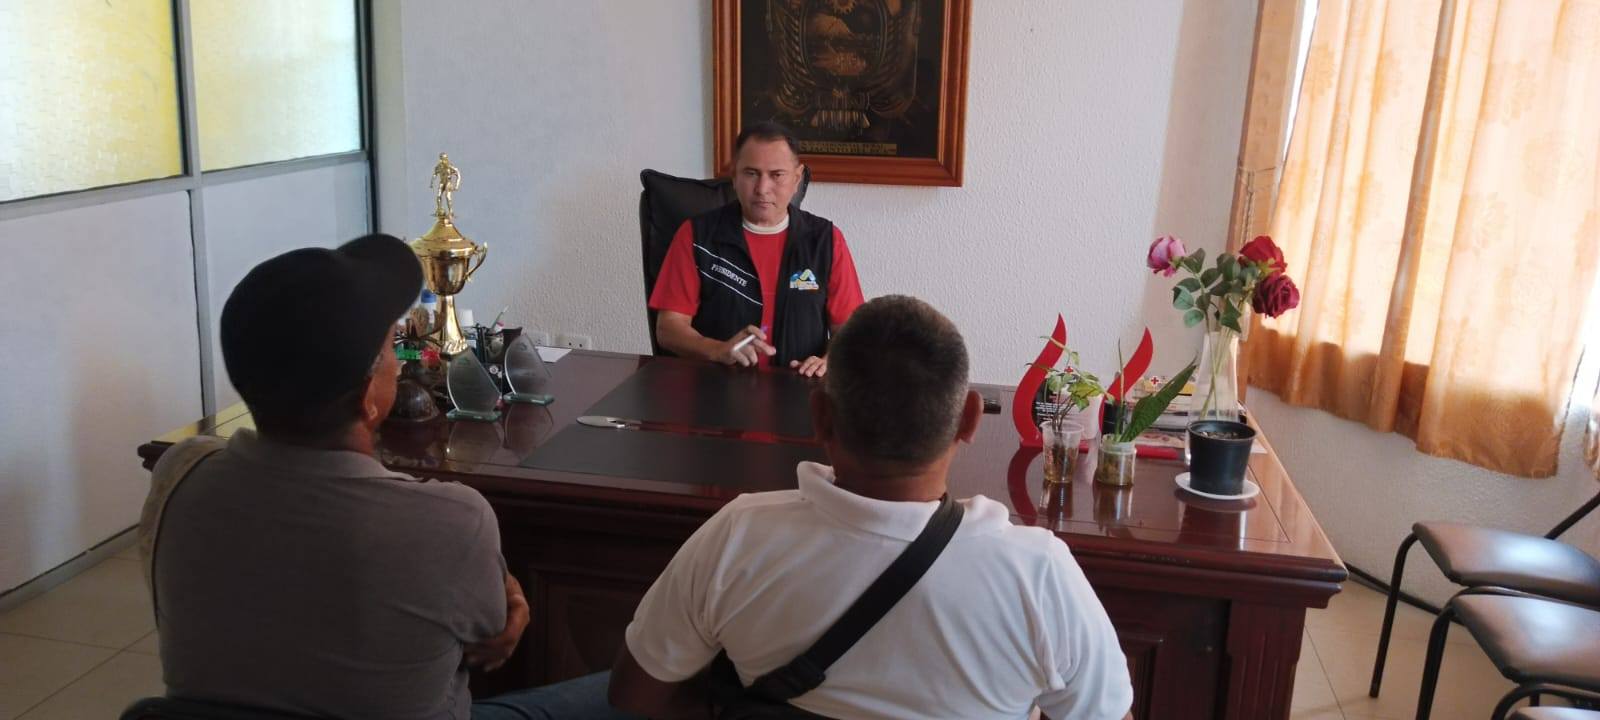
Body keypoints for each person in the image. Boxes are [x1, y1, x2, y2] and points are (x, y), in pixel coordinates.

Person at [140, 234, 635, 720]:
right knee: (644, 689)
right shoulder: (451, 518)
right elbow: (491, 632)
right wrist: (502, 583)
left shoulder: (180, 474)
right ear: (367, 399)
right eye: (391, 351)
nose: (399, 366)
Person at [609, 296, 1135, 719]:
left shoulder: (736, 536)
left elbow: (635, 694)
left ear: (820, 417)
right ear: (970, 419)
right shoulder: (1038, 574)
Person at [649, 122, 865, 378]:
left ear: (796, 178)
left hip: (799, 389)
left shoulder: (825, 240)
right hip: (717, 387)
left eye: (777, 175)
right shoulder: (696, 236)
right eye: (751, 173)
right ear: (734, 175)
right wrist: (717, 350)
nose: (762, 189)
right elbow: (668, 329)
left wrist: (830, 360)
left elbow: (851, 331)